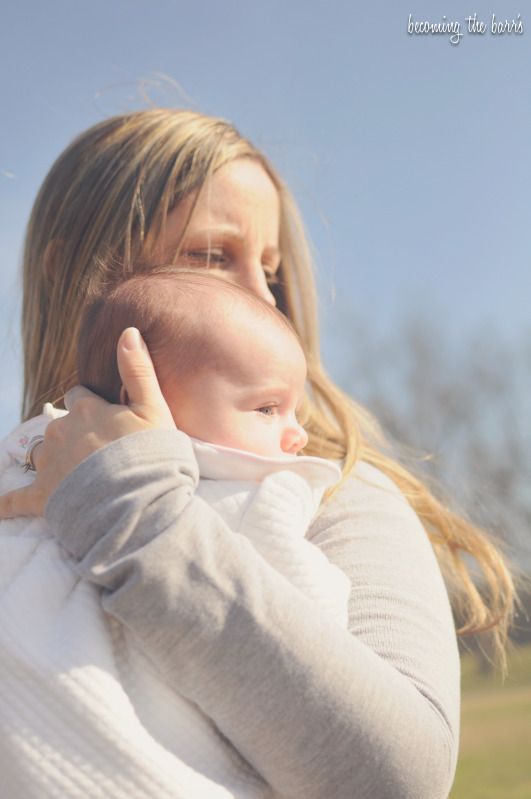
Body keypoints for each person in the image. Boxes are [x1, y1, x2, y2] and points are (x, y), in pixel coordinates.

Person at [0, 109, 515, 799]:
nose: (259, 296)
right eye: (212, 256)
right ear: (74, 275)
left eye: (269, 270)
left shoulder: (326, 489)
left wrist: (134, 513)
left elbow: (400, 777)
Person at [0, 269, 349, 797]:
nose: (298, 432)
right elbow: (320, 624)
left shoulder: (29, 444)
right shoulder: (253, 493)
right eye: (267, 408)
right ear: (143, 396)